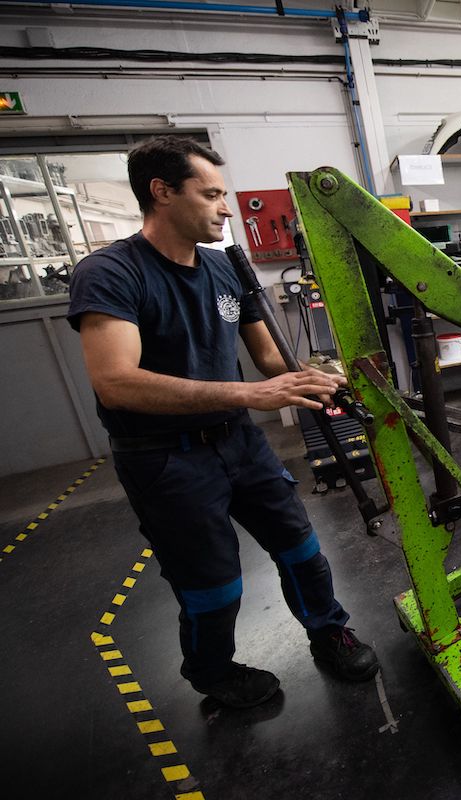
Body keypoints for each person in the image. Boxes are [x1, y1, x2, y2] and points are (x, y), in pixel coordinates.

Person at [68, 136, 379, 708]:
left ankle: (328, 630)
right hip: (165, 458)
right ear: (162, 192)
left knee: (301, 548)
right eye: (210, 194)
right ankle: (214, 672)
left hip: (238, 441)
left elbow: (269, 357)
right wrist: (250, 394)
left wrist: (319, 375)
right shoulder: (111, 273)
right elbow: (116, 381)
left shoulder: (224, 268)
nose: (225, 208)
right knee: (213, 584)